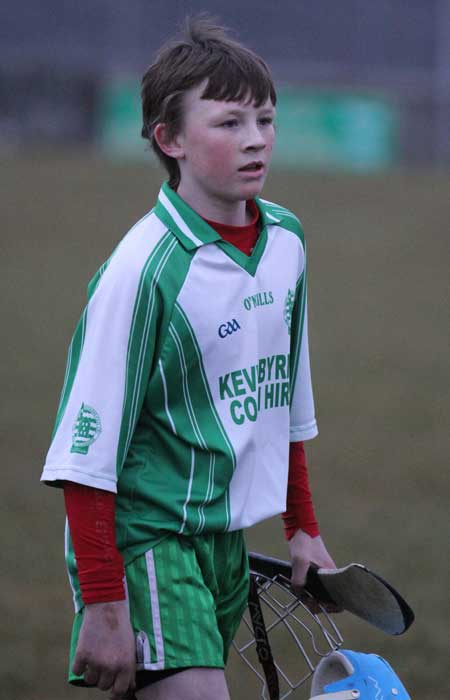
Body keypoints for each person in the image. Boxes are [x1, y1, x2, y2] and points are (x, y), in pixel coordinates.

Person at [41, 16, 338, 700]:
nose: (257, 138)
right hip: (148, 540)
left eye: (265, 118)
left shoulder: (287, 240)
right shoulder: (143, 272)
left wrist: (303, 529)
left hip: (225, 540)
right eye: (229, 122)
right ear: (168, 139)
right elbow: (85, 454)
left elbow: (281, 399)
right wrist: (106, 604)